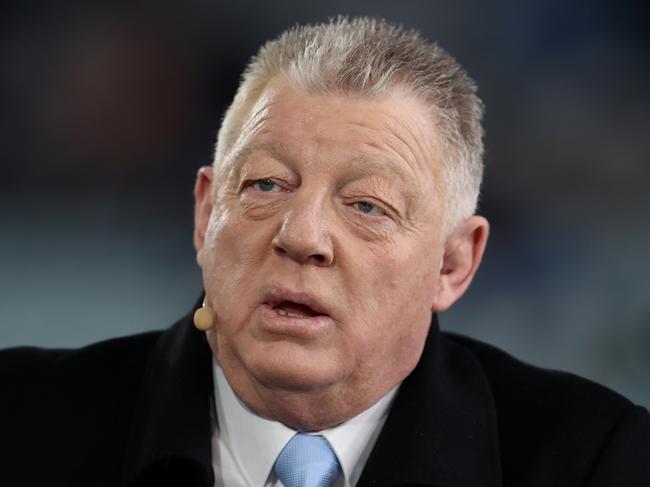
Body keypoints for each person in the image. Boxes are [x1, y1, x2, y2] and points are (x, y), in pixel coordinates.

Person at [1, 16, 648, 487]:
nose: (301, 235)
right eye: (264, 185)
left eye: (367, 205)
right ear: (205, 215)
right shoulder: (18, 422)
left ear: (453, 263)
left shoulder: (598, 460)